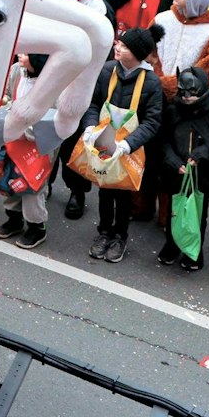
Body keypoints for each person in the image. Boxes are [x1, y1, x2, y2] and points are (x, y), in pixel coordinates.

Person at [80, 25, 166, 264]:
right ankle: (104, 232)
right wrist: (90, 127)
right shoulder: (108, 70)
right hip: (105, 141)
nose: (118, 47)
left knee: (125, 194)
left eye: (125, 46)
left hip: (130, 148)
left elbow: (152, 121)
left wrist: (128, 144)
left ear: (138, 53)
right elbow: (94, 103)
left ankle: (120, 236)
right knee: (105, 188)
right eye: (119, 42)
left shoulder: (151, 82)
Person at [155, 66, 209, 271]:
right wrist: (173, 160)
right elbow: (162, 140)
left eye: (192, 93)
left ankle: (193, 252)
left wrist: (202, 153)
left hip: (202, 176)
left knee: (197, 214)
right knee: (174, 211)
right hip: (176, 172)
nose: (187, 98)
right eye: (183, 93)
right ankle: (172, 246)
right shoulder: (174, 111)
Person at [0, 55, 52, 249]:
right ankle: (14, 219)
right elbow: (7, 95)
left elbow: (53, 116)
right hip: (12, 137)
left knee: (33, 187)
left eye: (26, 53)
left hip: (37, 142)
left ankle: (36, 227)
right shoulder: (16, 70)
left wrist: (24, 131)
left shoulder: (53, 77)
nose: (20, 54)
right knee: (9, 178)